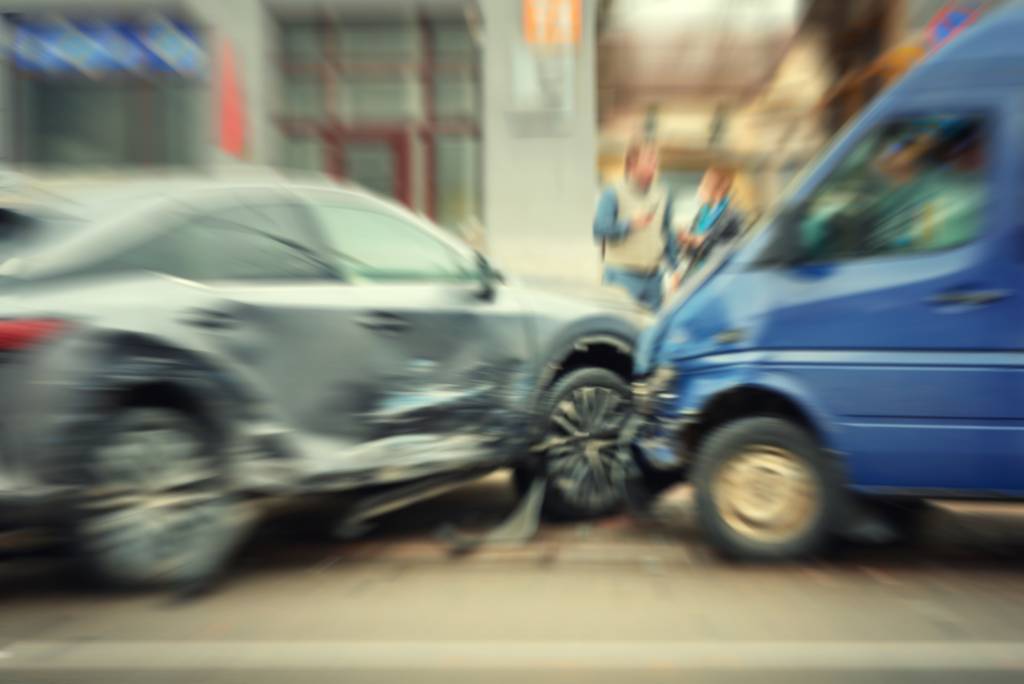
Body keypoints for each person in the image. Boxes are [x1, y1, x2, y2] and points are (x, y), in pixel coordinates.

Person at [593, 139, 682, 311]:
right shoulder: (612, 193)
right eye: (649, 159)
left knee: (649, 331)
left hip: (654, 280)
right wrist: (629, 224)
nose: (655, 164)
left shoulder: (663, 194)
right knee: (620, 330)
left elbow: (667, 233)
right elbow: (599, 230)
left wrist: (675, 268)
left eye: (656, 160)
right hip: (621, 277)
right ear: (632, 164)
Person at [665, 165, 745, 293]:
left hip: (716, 280)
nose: (701, 187)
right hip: (694, 276)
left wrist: (700, 241)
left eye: (706, 183)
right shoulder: (702, 213)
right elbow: (692, 251)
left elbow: (732, 249)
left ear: (720, 188)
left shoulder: (732, 216)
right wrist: (685, 242)